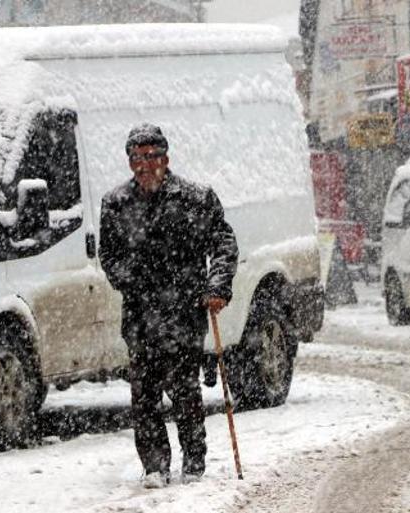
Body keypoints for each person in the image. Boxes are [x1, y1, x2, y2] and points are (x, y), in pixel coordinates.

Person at [99, 124, 238, 489]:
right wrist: (134, 278)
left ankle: (194, 461)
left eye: (150, 157)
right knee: (143, 396)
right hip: (141, 317)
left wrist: (217, 286)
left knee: (184, 391)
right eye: (136, 158)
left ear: (166, 159)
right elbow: (109, 256)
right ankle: (155, 466)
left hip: (184, 314)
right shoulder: (115, 204)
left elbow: (223, 242)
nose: (143, 165)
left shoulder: (195, 198)